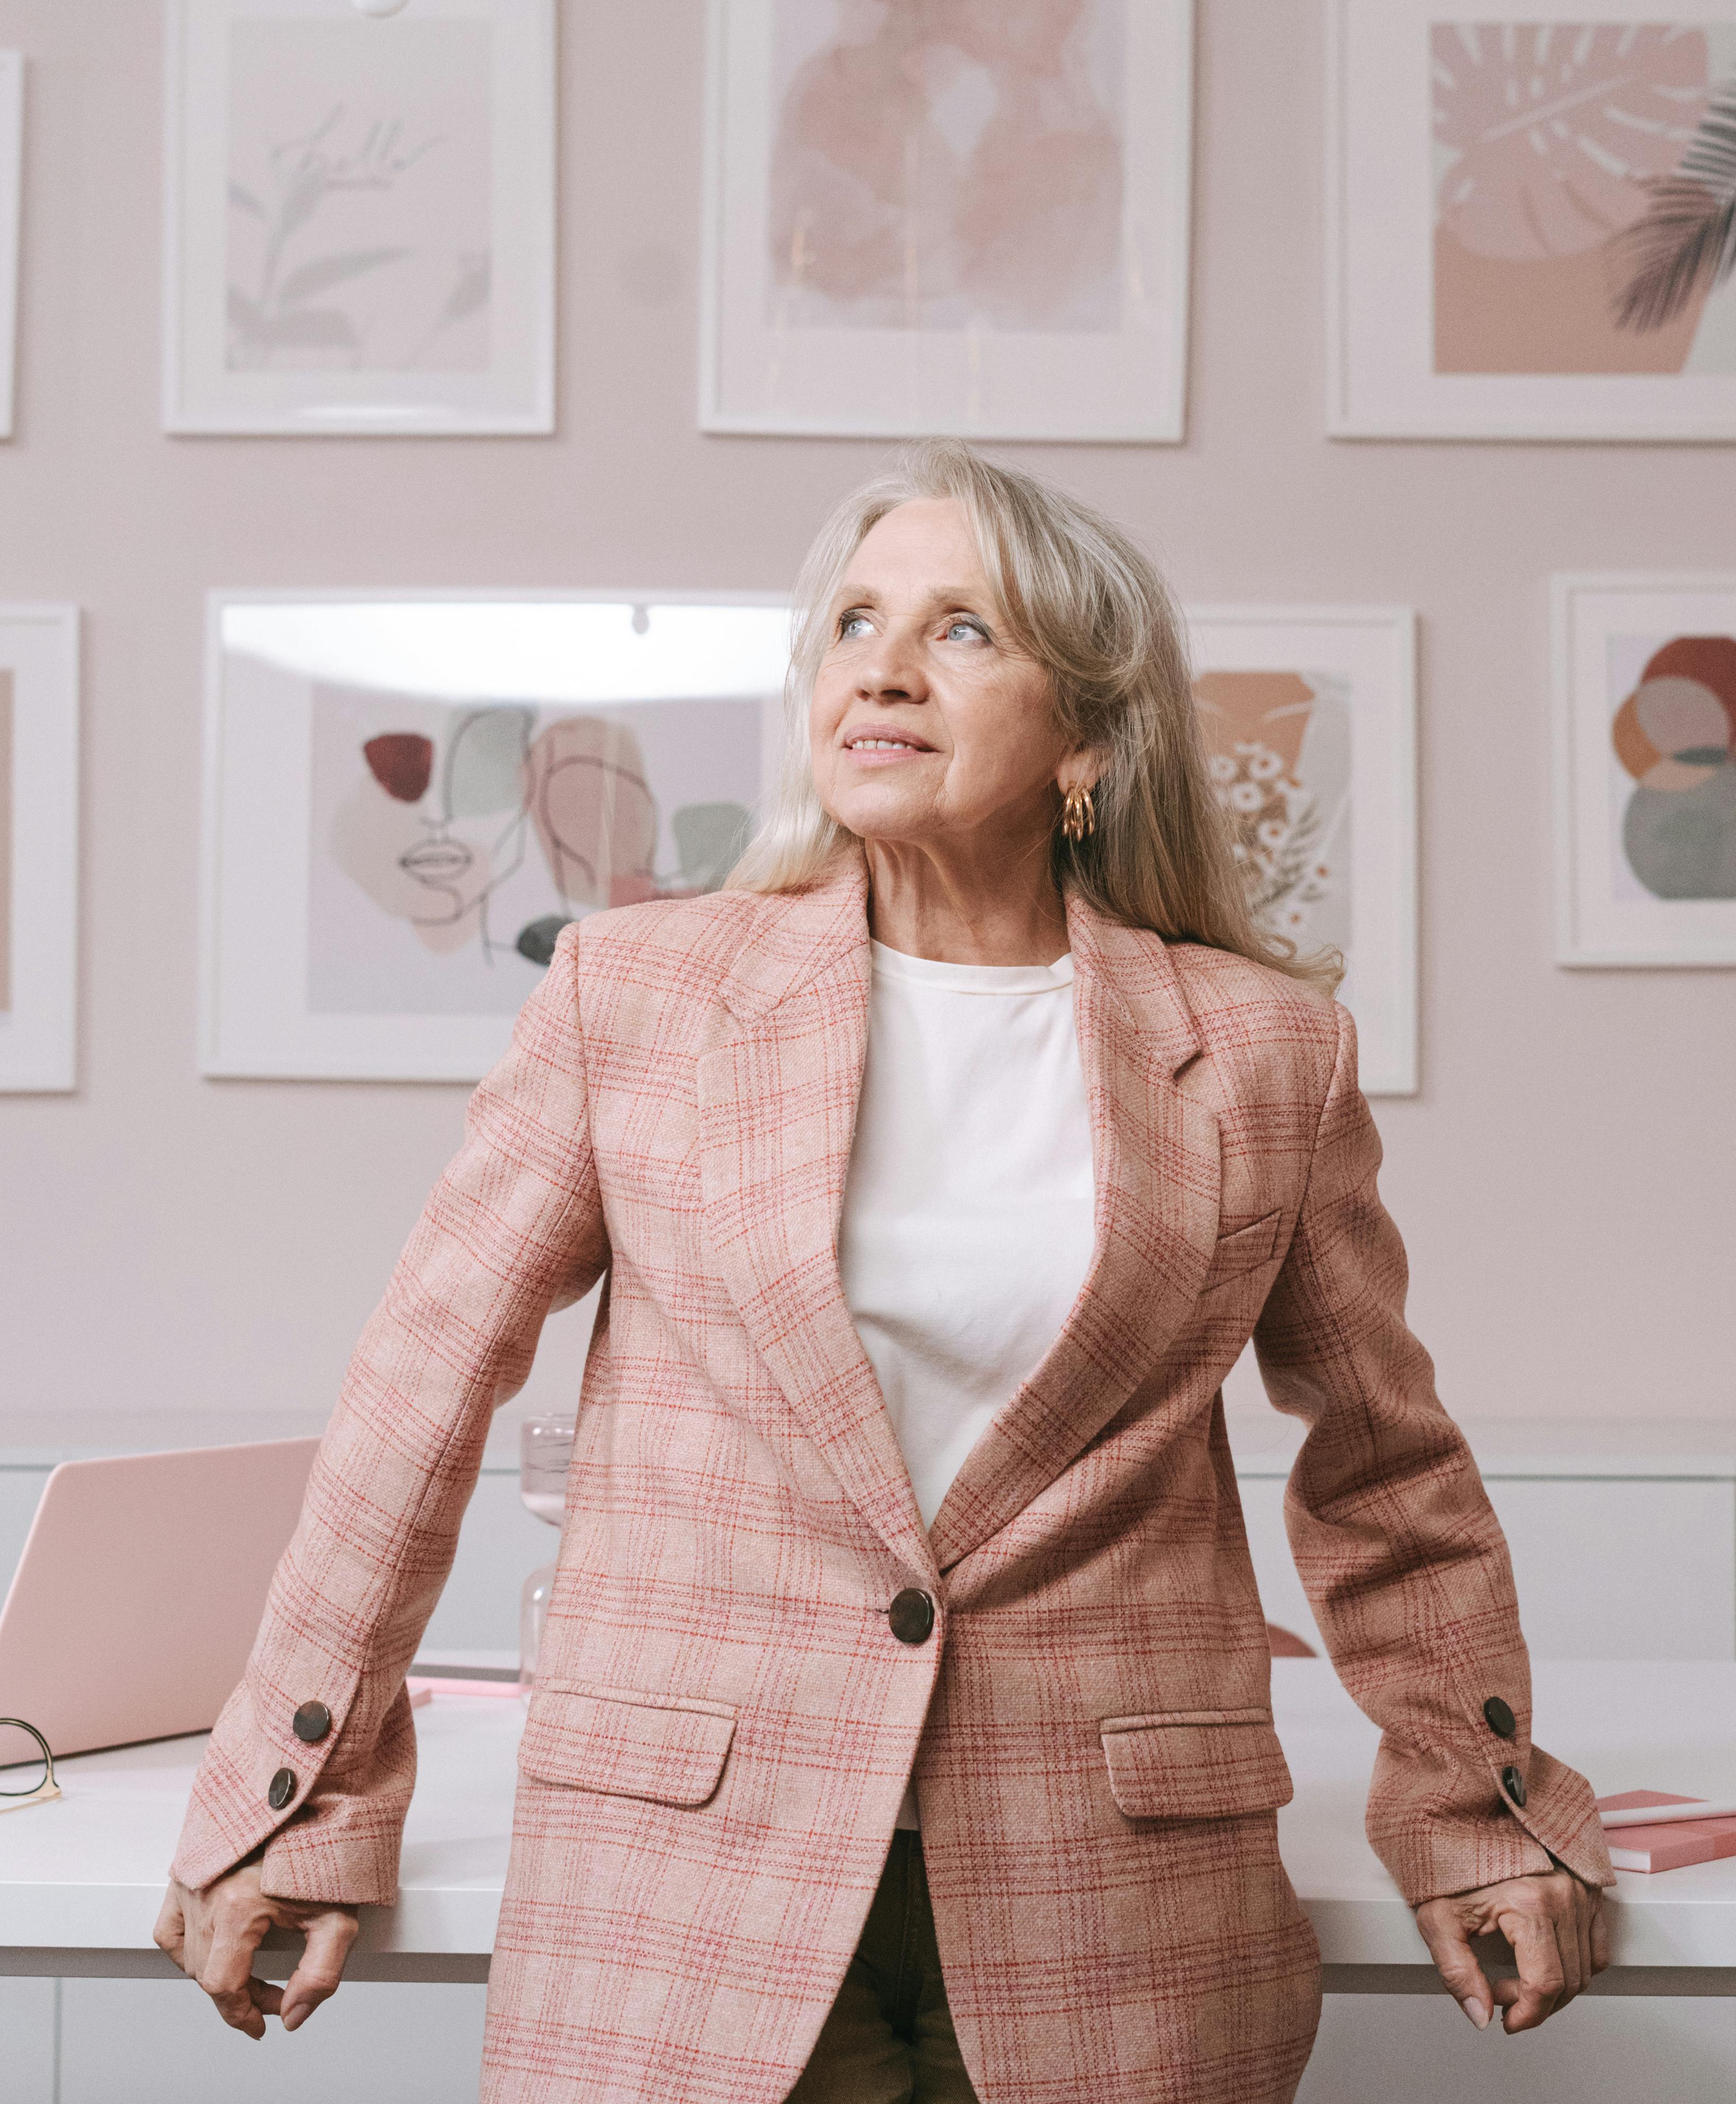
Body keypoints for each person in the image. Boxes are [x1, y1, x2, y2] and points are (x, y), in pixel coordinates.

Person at [157, 440, 1611, 2102]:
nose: (883, 666)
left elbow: (1385, 1469)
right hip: (688, 1878)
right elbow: (421, 1397)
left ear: (1087, 726)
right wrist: (297, 1791)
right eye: (853, 620)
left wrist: (1473, 1805)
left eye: (963, 629)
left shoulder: (1267, 1052)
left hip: (1117, 1902)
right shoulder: (631, 996)